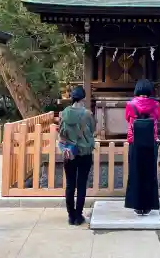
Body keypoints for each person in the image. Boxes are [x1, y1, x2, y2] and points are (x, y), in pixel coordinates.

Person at [58, 86, 95, 225]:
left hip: (69, 152)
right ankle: (78, 216)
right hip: (84, 153)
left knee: (70, 184)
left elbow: (61, 133)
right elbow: (92, 130)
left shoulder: (64, 113)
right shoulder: (87, 114)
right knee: (81, 184)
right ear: (83, 98)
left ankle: (70, 216)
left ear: (72, 98)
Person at [124, 79, 160, 216]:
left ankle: (137, 206)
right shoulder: (156, 105)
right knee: (150, 174)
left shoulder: (130, 105)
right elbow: (156, 118)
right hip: (151, 142)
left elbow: (128, 119)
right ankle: (148, 206)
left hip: (135, 142)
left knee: (135, 173)